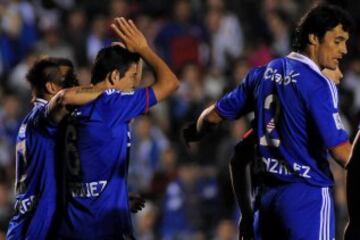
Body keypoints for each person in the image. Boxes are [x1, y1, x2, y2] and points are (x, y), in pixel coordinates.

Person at [183, 4, 352, 239]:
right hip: (306, 199)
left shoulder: (261, 74)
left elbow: (212, 116)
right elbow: (343, 154)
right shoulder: (319, 84)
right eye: (338, 41)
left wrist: (194, 131)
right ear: (314, 38)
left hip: (265, 200)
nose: (344, 49)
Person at [58, 17, 179, 239]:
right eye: (133, 77)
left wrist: (118, 196)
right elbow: (171, 83)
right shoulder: (111, 103)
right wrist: (144, 49)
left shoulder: (71, 107)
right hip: (105, 227)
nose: (135, 84)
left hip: (74, 224)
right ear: (114, 76)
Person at [5, 57, 120, 239]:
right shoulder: (41, 118)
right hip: (37, 228)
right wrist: (109, 88)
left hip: (29, 225)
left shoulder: (36, 124)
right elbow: (63, 100)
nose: (74, 86)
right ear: (51, 88)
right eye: (67, 82)